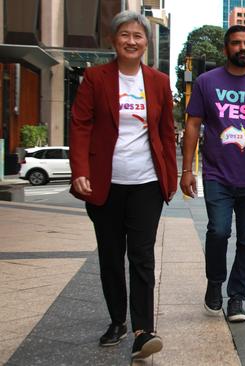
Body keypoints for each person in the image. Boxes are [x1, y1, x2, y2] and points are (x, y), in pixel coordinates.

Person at [68, 10, 177, 360]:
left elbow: (165, 132)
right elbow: (80, 125)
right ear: (114, 41)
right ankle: (118, 320)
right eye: (125, 35)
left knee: (142, 256)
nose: (132, 41)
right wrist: (79, 169)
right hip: (105, 183)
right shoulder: (95, 78)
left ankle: (143, 330)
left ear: (146, 42)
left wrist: (170, 178)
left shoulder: (159, 82)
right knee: (112, 256)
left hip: (146, 183)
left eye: (138, 36)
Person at [180, 25, 245, 323]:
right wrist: (187, 170)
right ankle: (215, 283)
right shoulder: (206, 82)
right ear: (226, 49)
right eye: (236, 43)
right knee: (218, 230)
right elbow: (192, 125)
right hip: (216, 175)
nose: (243, 48)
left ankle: (237, 298)